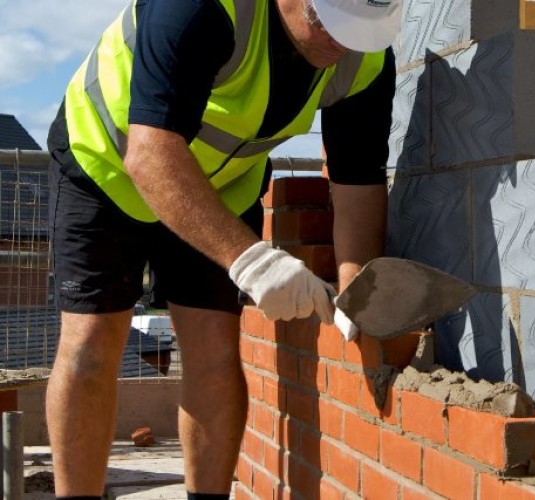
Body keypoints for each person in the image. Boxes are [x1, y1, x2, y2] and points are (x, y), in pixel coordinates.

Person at [45, 0, 399, 497]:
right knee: (91, 343)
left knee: (213, 350)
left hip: (219, 189)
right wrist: (252, 260)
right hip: (106, 163)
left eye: (359, 28)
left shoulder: (365, 57)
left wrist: (356, 289)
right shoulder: (199, 9)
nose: (339, 42)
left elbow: (357, 182)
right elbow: (150, 153)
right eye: (327, 22)